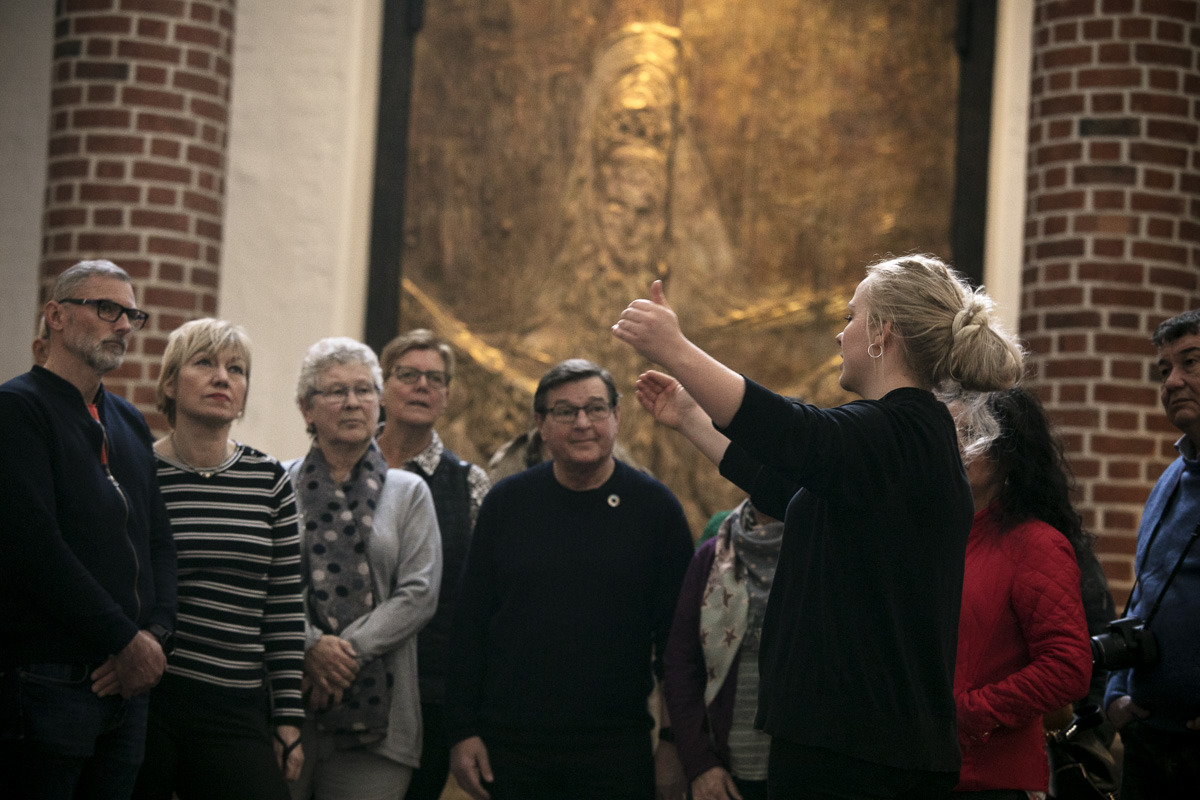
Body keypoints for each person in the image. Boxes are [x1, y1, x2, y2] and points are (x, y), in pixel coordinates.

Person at [613, 254, 1024, 799]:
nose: (840, 334)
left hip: (863, 757)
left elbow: (791, 432)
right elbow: (786, 484)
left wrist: (677, 350)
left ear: (882, 334)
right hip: (849, 747)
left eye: (852, 317)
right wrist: (690, 418)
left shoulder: (898, 432)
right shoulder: (896, 442)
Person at [446, 358, 694, 800]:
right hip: (512, 746)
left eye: (596, 409)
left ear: (616, 416)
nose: (583, 423)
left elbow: (678, 643)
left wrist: (675, 746)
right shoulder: (506, 504)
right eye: (565, 411)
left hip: (616, 748)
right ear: (540, 424)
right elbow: (470, 624)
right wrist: (462, 731)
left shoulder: (655, 510)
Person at [0, 259, 177, 799]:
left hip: (127, 687)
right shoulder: (17, 409)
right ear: (56, 316)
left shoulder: (127, 420)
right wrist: (123, 640)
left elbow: (158, 542)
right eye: (106, 309)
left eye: (131, 314)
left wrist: (154, 636)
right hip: (52, 680)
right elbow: (33, 549)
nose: (123, 325)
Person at [131, 318, 306, 799]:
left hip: (236, 704)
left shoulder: (269, 479)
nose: (222, 377)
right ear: (170, 382)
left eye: (236, 369)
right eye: (204, 362)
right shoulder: (142, 471)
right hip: (153, 700)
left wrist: (288, 717)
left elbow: (285, 605)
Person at [286, 337, 442, 800]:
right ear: (306, 408)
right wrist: (311, 646)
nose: (352, 402)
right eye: (336, 391)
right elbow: (265, 585)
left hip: (382, 722)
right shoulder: (276, 482)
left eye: (365, 390)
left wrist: (341, 655)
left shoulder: (409, 491)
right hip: (287, 709)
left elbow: (419, 595)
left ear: (379, 404)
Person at [944, 387, 1092, 797]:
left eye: (971, 431)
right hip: (921, 772)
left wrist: (971, 714)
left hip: (991, 781)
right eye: (947, 429)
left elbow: (1068, 667)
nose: (955, 444)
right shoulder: (933, 536)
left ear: (1008, 452)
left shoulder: (1035, 544)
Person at [375, 329, 490, 800]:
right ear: (382, 385)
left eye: (435, 379)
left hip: (431, 690)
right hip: (345, 678)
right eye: (408, 375)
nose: (422, 386)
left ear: (445, 396)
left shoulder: (470, 484)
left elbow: (480, 599)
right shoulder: (345, 466)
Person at [1103, 309, 1200, 799]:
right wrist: (1117, 692)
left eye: (1190, 362)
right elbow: (1146, 596)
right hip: (1149, 741)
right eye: (1164, 370)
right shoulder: (1171, 479)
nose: (1173, 381)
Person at [662, 499, 782, 800]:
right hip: (726, 771)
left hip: (809, 772)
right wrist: (700, 763)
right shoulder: (712, 556)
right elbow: (681, 664)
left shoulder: (827, 548)